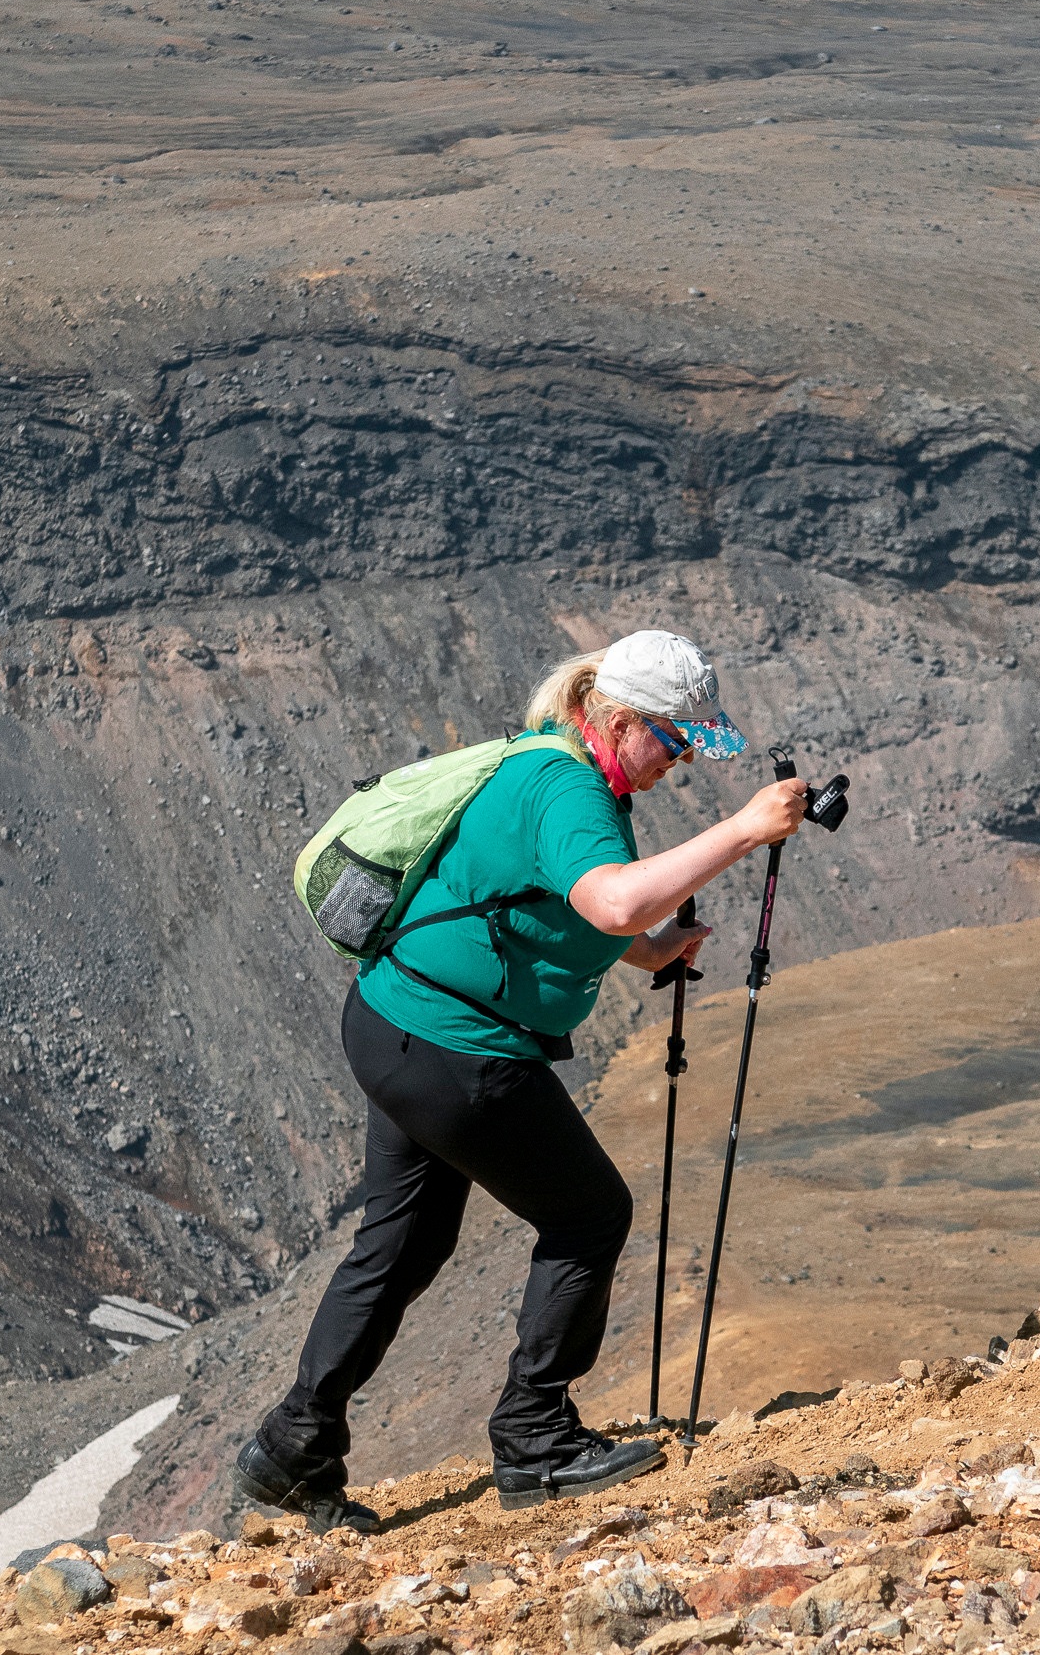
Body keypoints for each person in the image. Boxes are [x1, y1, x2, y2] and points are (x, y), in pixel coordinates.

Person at [234, 630, 806, 1528]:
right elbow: (611, 896)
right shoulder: (567, 785)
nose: (684, 761)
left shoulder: (559, 764)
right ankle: (535, 1439)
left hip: (395, 1025)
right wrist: (741, 832)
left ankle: (291, 1451)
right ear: (620, 722)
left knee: (402, 1246)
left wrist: (646, 950)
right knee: (589, 1217)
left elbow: (547, 901)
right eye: (678, 740)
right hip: (461, 1050)